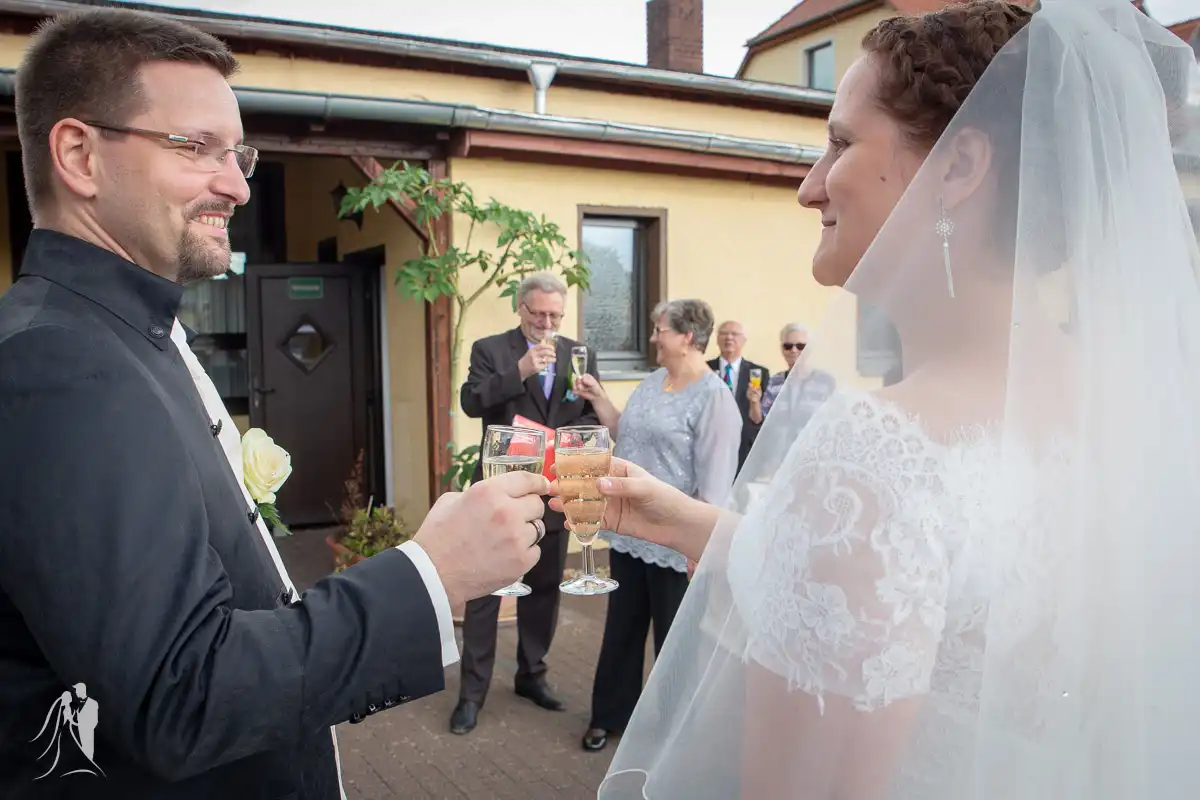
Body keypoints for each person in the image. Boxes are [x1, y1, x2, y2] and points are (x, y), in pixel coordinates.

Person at [553, 0, 1200, 796]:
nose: (808, 187)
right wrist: (676, 518)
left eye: (840, 143)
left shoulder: (873, 455)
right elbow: (932, 593)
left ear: (959, 169)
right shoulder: (1133, 410)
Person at [0, 9, 548, 799]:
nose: (238, 183)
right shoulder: (59, 362)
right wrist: (433, 573)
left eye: (239, 153)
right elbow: (182, 695)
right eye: (196, 148)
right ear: (80, 155)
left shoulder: (130, 331)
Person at [572, 299, 740, 753]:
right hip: (631, 536)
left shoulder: (715, 398)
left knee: (674, 644)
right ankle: (609, 715)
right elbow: (627, 430)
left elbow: (717, 483)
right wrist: (600, 400)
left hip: (675, 542)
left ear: (687, 336)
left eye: (659, 329)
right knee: (621, 629)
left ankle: (671, 737)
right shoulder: (652, 382)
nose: (652, 337)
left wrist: (697, 546)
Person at [452, 271, 601, 735]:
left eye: (555, 315)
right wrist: (520, 371)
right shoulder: (490, 349)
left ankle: (531, 676)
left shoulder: (581, 354)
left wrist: (580, 432)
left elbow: (588, 416)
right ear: (521, 309)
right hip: (499, 493)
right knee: (484, 594)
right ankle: (471, 694)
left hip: (551, 491)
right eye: (538, 314)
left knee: (543, 589)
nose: (547, 323)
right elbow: (472, 402)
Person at [707, 320, 768, 472]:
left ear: (744, 340)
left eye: (734, 334)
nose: (729, 338)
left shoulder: (758, 372)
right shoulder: (705, 369)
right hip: (711, 443)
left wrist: (754, 402)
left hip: (743, 446)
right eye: (724, 333)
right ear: (717, 339)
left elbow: (758, 419)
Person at [750, 322, 835, 424]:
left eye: (800, 346)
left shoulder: (825, 381)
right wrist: (754, 402)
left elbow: (834, 419)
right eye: (788, 346)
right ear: (782, 350)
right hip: (780, 440)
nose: (794, 350)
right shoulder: (774, 382)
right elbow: (759, 420)